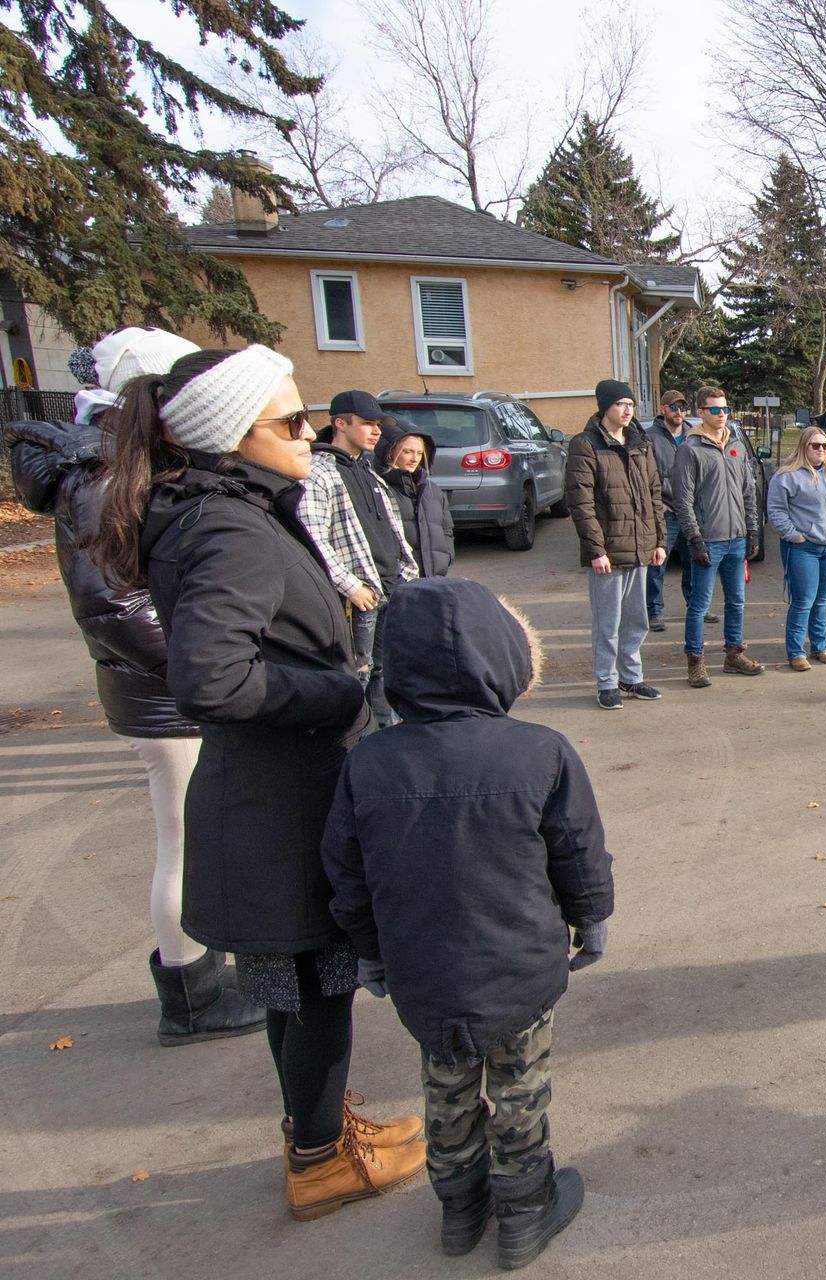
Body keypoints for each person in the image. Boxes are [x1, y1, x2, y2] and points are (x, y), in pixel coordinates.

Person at [91, 345, 425, 1219]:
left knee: (296, 984)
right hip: (280, 801)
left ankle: (318, 1129)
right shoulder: (228, 528)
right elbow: (210, 680)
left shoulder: (232, 508)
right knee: (314, 988)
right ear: (231, 433)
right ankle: (318, 1160)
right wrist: (338, 691)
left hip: (276, 790)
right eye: (291, 421)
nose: (309, 433)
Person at [323, 576, 614, 1266]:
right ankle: (525, 1210)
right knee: (519, 1092)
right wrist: (592, 917)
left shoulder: (369, 763)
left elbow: (347, 873)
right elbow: (577, 850)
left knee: (446, 1090)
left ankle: (460, 1207)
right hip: (519, 968)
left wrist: (369, 952)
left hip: (422, 970)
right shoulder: (540, 750)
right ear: (505, 658)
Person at [5, 327, 266, 1046]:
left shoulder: (117, 464)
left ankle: (200, 973)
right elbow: (112, 602)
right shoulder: (102, 472)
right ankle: (190, 996)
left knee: (195, 834)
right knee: (184, 839)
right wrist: (201, 666)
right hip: (164, 694)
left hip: (166, 686)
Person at [301, 390, 417, 728]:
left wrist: (406, 574)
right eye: (367, 423)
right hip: (359, 598)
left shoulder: (368, 471)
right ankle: (352, 742)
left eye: (378, 424)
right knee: (357, 675)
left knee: (386, 672)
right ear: (340, 423)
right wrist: (351, 586)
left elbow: (392, 532)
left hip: (390, 588)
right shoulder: (319, 473)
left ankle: (383, 737)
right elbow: (312, 538)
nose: (376, 431)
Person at [565, 380, 667, 708]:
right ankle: (607, 682)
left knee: (636, 619)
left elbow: (654, 494)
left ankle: (631, 677)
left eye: (631, 405)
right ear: (604, 407)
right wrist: (596, 550)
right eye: (621, 404)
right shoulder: (586, 444)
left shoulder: (640, 442)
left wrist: (659, 540)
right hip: (608, 551)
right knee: (608, 622)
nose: (627, 410)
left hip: (641, 547)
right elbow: (581, 503)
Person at [673, 386, 763, 684]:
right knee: (700, 605)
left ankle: (733, 654)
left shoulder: (736, 445)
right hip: (709, 540)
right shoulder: (690, 449)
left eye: (725, 409)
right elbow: (682, 500)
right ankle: (695, 661)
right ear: (700, 412)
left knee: (736, 601)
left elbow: (748, 492)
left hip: (736, 538)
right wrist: (695, 539)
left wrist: (752, 530)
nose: (721, 414)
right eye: (714, 409)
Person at [766, 424, 826, 670]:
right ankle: (796, 653)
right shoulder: (786, 476)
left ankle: (821, 647)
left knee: (822, 600)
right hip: (803, 548)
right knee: (803, 601)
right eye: (815, 445)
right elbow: (776, 510)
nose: (821, 450)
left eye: (825, 446)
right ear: (804, 446)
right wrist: (793, 535)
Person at [644, 389, 703, 627]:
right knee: (657, 564)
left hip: (691, 511)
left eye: (682, 408)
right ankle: (654, 612)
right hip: (666, 510)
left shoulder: (694, 435)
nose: (679, 412)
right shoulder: (649, 437)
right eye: (674, 407)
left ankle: (696, 607)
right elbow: (643, 475)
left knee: (694, 563)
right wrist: (656, 502)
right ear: (663, 409)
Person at [374, 421, 454, 578]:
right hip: (399, 579)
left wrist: (446, 557)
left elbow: (446, 529)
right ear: (390, 452)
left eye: (419, 453)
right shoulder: (378, 489)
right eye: (407, 452)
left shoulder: (433, 490)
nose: (414, 458)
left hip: (435, 577)